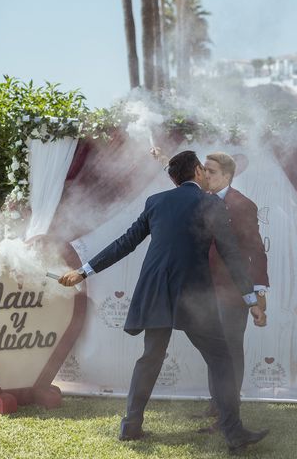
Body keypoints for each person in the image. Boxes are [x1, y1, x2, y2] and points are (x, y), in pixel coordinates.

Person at [59, 150, 269, 453]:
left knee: (150, 358)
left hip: (155, 291)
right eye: (203, 169)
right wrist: (252, 299)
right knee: (222, 359)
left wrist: (83, 271)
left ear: (174, 178)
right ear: (197, 171)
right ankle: (234, 433)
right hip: (192, 296)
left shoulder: (156, 202)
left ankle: (130, 427)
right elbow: (231, 254)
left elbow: (125, 243)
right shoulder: (212, 203)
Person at [197, 152, 269, 429]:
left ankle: (229, 413)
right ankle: (217, 405)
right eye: (203, 170)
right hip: (204, 291)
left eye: (211, 171)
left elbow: (256, 250)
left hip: (232, 292)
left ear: (227, 176)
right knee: (215, 350)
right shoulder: (201, 202)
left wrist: (258, 293)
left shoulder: (242, 205)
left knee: (229, 351)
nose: (205, 175)